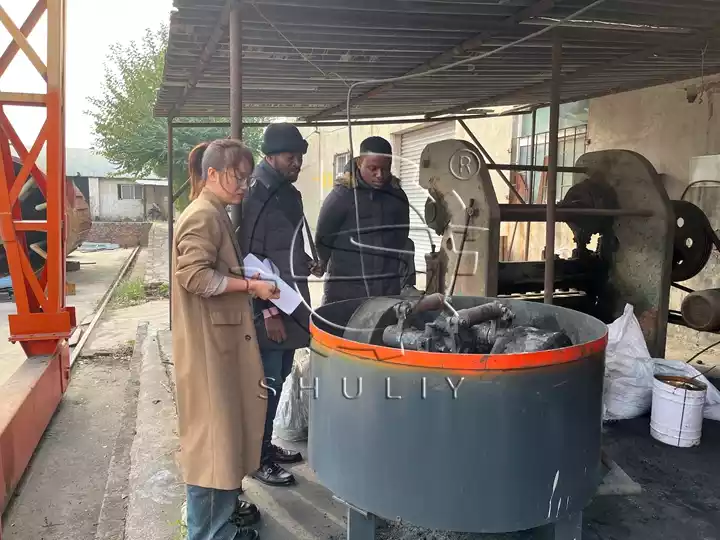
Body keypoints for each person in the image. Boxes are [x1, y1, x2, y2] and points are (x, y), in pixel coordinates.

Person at [172, 138, 280, 540]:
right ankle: (208, 534)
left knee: (220, 443)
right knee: (212, 449)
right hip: (208, 354)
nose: (244, 186)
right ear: (212, 174)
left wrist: (247, 281)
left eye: (248, 180)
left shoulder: (214, 212)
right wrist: (249, 287)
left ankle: (219, 528)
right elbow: (195, 276)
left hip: (216, 349)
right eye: (239, 177)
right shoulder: (203, 215)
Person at [240, 123, 322, 487]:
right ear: (270, 156)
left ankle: (268, 446)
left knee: (283, 375)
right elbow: (249, 258)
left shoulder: (287, 193)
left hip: (293, 300)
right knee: (267, 384)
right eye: (291, 156)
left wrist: (304, 259)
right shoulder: (254, 195)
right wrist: (267, 312)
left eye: (300, 157)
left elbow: (279, 247)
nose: (297, 162)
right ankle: (257, 459)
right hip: (271, 308)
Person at [315, 136, 415, 305]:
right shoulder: (342, 196)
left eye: (385, 168)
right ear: (360, 162)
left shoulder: (397, 196)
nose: (380, 175)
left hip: (387, 291)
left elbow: (401, 239)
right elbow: (323, 238)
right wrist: (322, 261)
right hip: (345, 293)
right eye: (373, 168)